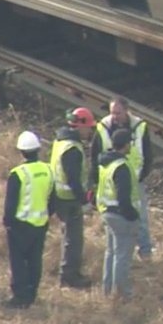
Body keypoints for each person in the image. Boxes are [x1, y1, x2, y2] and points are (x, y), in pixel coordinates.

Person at [93, 98, 154, 259]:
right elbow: (95, 155)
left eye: (118, 113)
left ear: (126, 111)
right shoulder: (103, 128)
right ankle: (117, 253)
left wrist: (142, 174)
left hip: (135, 179)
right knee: (113, 218)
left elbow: (147, 153)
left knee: (140, 217)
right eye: (112, 112)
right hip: (111, 181)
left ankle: (145, 251)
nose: (114, 116)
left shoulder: (139, 127)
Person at [3, 131, 51, 309]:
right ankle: (32, 292)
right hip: (40, 224)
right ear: (38, 149)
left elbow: (11, 203)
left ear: (21, 151)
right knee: (35, 259)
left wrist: (8, 222)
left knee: (18, 261)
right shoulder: (47, 170)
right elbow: (51, 197)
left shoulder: (18, 174)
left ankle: (20, 296)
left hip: (20, 225)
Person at [49, 107, 96, 288]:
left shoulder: (61, 141)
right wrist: (84, 201)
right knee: (74, 239)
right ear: (79, 126)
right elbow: (73, 179)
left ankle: (68, 272)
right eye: (88, 127)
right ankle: (69, 276)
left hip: (59, 197)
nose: (90, 131)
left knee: (69, 236)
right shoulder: (72, 149)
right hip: (69, 200)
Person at [97, 129, 140, 300]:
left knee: (111, 254)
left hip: (107, 212)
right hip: (122, 216)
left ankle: (107, 291)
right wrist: (132, 216)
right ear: (126, 145)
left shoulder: (106, 163)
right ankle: (121, 295)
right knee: (122, 257)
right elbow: (124, 198)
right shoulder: (121, 167)